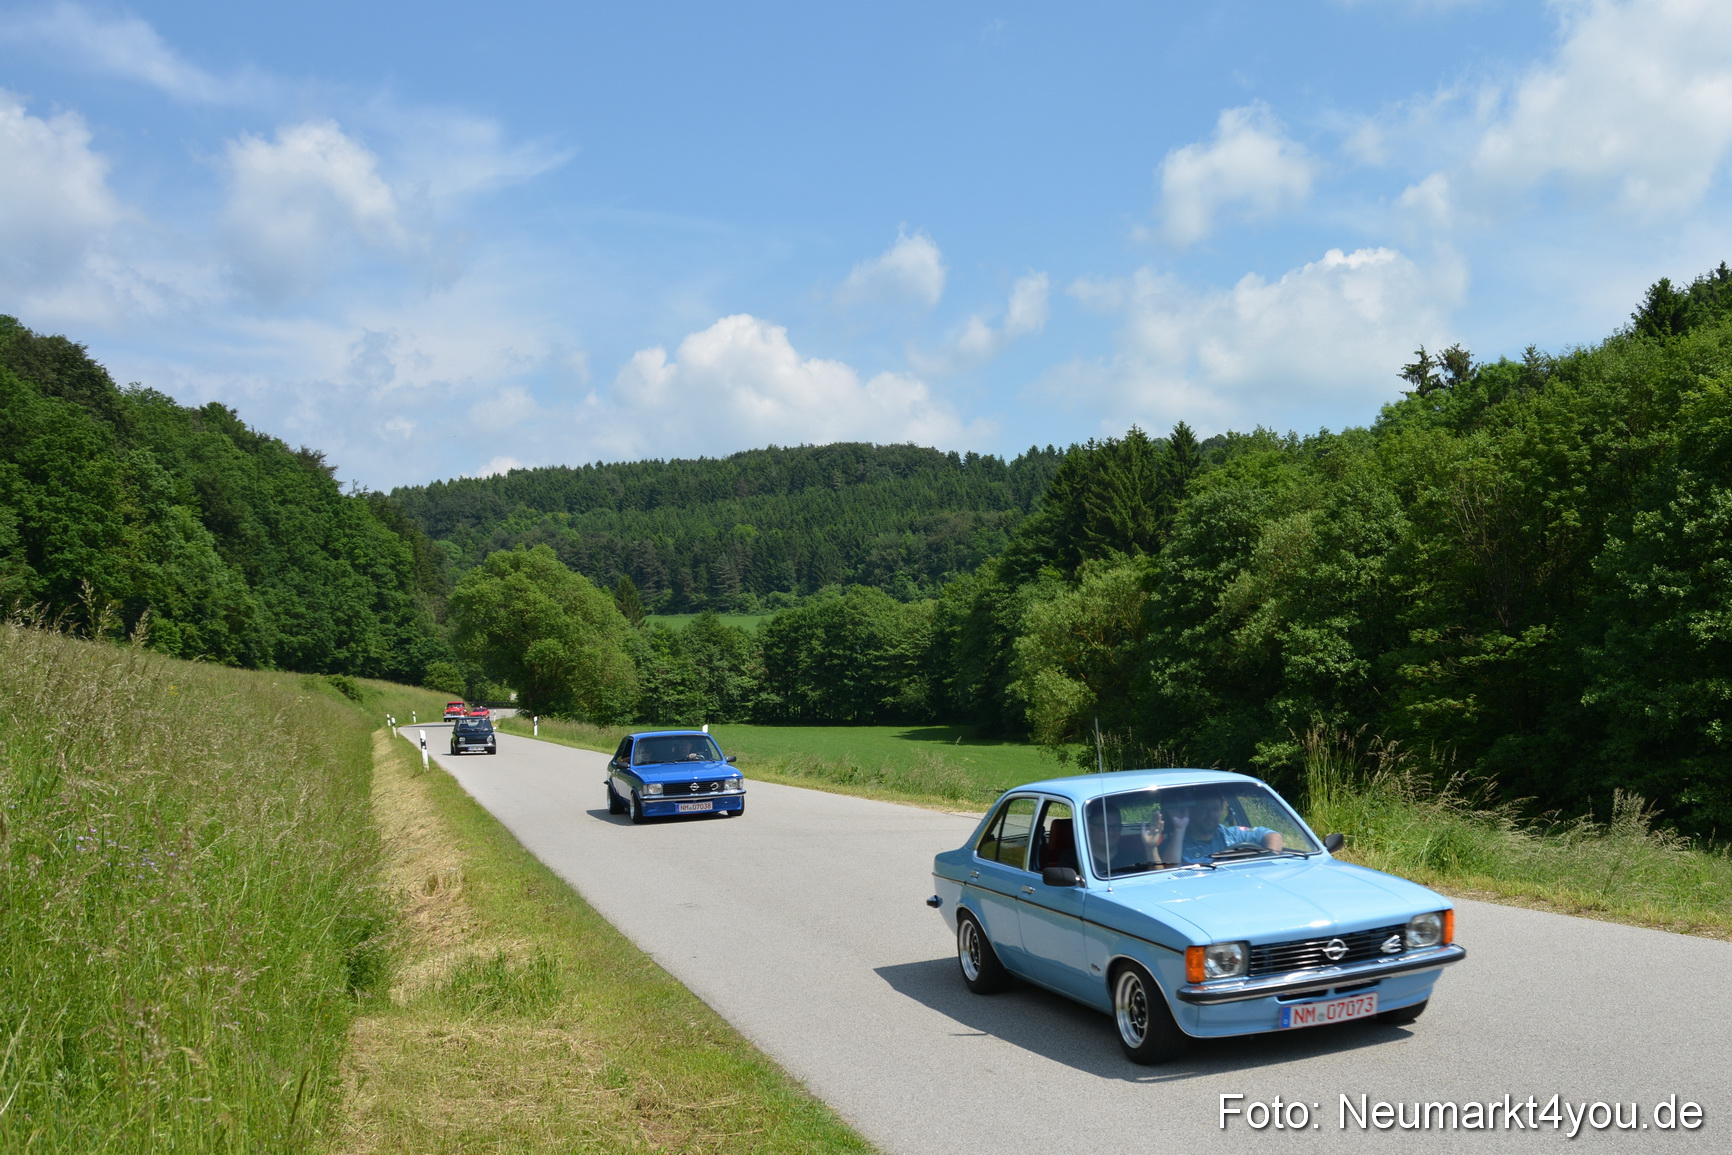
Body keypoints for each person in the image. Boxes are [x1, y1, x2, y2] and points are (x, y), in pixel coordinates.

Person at [1172, 791, 1283, 864]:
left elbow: (1273, 836)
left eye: (1215, 809)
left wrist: (1270, 858)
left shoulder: (1231, 835)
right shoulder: (1177, 843)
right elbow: (1168, 869)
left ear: (1221, 811)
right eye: (1204, 809)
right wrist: (1179, 830)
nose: (1211, 814)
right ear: (1192, 811)